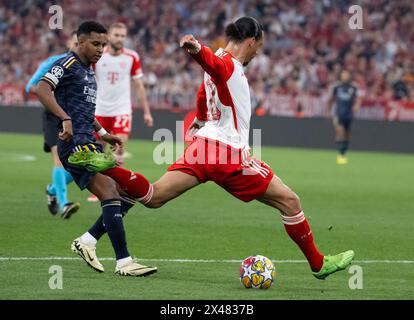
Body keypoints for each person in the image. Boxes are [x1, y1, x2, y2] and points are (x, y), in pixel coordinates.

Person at [71, 17, 354, 280]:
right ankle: (318, 264)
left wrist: (201, 118)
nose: (258, 53)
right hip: (228, 155)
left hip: (203, 147)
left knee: (154, 197)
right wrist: (196, 50)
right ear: (251, 40)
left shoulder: (221, 61)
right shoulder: (226, 64)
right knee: (290, 202)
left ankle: (110, 168)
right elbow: (213, 67)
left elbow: (203, 90)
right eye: (260, 46)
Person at [36, 21, 157, 277]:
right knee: (114, 192)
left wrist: (104, 133)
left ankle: (89, 241)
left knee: (125, 193)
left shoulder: (89, 70)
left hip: (88, 140)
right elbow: (42, 88)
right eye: (95, 43)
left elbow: (86, 110)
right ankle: (123, 262)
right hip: (75, 145)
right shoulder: (67, 64)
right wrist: (64, 118)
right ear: (79, 42)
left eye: (103, 44)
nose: (101, 49)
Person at [86, 22, 154, 202]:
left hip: (122, 109)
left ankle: (117, 187)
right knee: (98, 150)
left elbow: (138, 85)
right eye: (116, 35)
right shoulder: (99, 55)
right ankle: (100, 189)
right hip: (99, 109)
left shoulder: (132, 57)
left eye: (123, 36)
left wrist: (146, 112)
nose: (120, 39)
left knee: (119, 147)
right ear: (109, 36)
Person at [25, 31, 80, 218]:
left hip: (74, 117)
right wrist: (49, 90)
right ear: (70, 43)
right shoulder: (54, 62)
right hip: (53, 115)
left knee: (81, 166)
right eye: (76, 43)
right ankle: (64, 204)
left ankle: (53, 189)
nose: (79, 47)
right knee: (59, 159)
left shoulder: (85, 67)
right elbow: (30, 86)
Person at [328, 70, 361, 165]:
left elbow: (358, 98)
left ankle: (344, 151)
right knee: (340, 131)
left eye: (347, 75)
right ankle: (340, 154)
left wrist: (357, 105)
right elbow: (330, 99)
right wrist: (329, 111)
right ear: (341, 76)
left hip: (349, 114)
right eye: (343, 75)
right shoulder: (336, 86)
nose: (345, 77)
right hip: (338, 113)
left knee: (347, 133)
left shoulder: (354, 87)